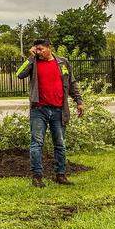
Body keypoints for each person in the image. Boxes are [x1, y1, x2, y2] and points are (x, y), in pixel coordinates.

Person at [15, 39, 84, 187]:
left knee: (60, 144)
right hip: (39, 110)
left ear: (49, 48)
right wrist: (31, 57)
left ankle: (60, 175)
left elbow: (71, 83)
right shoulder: (33, 62)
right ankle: (37, 177)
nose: (38, 52)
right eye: (36, 49)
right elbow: (19, 74)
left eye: (40, 49)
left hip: (59, 110)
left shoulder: (62, 63)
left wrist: (79, 101)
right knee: (37, 143)